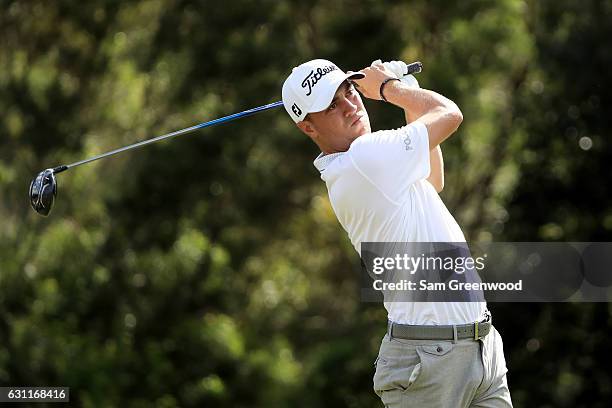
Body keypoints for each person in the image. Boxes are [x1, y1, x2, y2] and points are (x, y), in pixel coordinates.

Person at [282, 59, 513, 407]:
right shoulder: (364, 159)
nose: (350, 106)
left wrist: (407, 87)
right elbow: (449, 113)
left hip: (480, 348)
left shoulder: (373, 161)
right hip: (429, 363)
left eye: (348, 91)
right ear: (308, 128)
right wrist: (390, 88)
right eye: (331, 106)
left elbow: (433, 181)